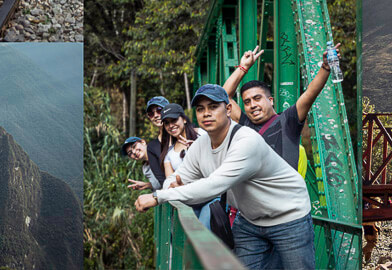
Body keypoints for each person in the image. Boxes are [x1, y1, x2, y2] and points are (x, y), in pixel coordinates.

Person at [135, 84, 315, 270]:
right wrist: (171, 185)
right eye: (200, 109)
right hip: (250, 220)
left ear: (228, 109)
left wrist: (159, 196)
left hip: (288, 216)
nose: (206, 114)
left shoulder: (246, 141)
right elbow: (178, 176)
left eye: (213, 107)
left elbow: (214, 185)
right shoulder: (201, 145)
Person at [220, 43, 337, 172]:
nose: (252, 105)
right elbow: (224, 97)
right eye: (247, 102)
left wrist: (325, 68)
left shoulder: (288, 121)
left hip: (283, 191)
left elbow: (310, 93)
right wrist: (243, 67)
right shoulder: (245, 124)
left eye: (257, 99)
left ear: (271, 101)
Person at [158, 104, 199, 187]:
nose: (171, 126)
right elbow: (169, 183)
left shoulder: (202, 134)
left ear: (184, 119)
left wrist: (198, 149)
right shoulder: (169, 154)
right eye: (166, 123)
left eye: (174, 120)